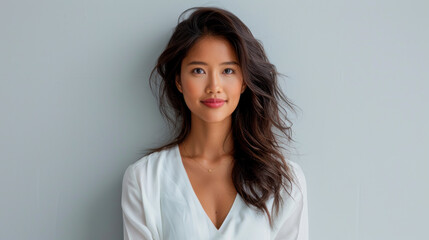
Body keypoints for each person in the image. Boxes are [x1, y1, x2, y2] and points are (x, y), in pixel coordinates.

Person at [121, 6, 309, 240]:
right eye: (198, 70)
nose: (214, 86)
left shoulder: (284, 180)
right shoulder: (145, 179)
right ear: (179, 80)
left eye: (228, 70)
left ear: (243, 82)